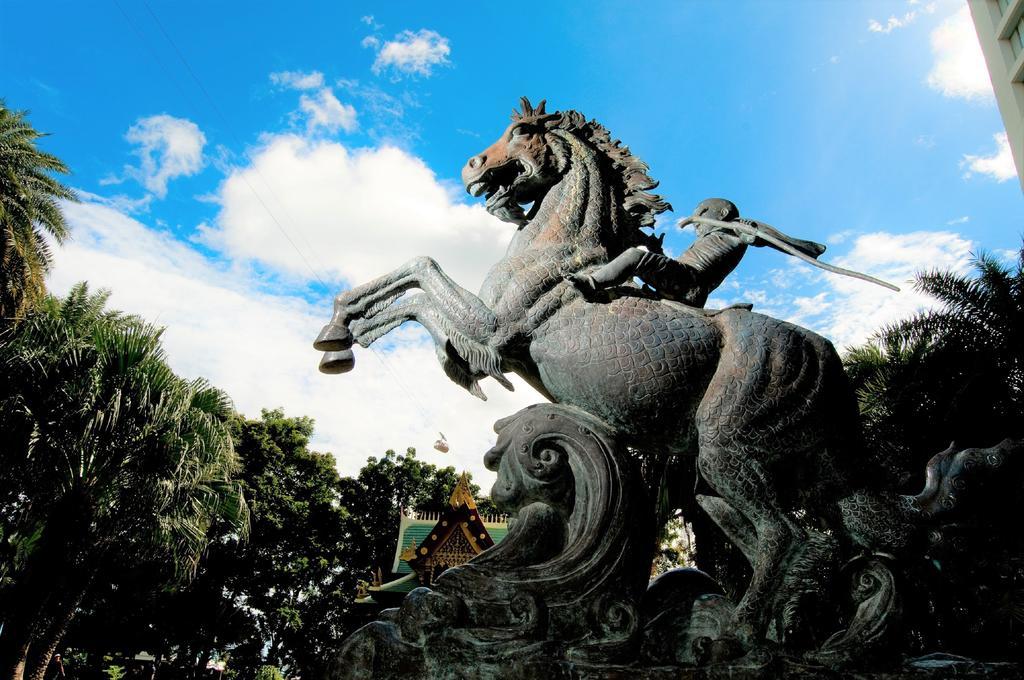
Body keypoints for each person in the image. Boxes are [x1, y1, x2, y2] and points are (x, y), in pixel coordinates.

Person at [570, 198, 825, 307]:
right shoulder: (715, 235)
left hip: (689, 280)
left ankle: (591, 283)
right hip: (681, 277)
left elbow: (779, 240)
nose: (697, 219)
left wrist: (750, 232)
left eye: (703, 212)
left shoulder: (736, 229)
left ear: (723, 214)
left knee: (635, 256)